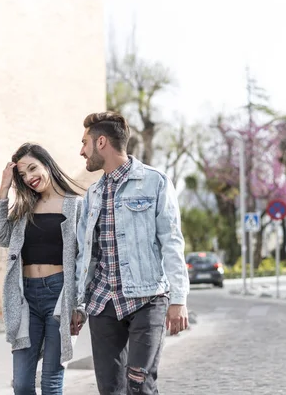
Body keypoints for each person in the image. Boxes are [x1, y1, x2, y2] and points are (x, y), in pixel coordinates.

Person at [74, 112, 190, 395]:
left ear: (101, 142)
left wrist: (179, 298)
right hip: (103, 304)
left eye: (85, 143)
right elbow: (84, 255)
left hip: (147, 299)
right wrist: (78, 304)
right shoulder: (93, 194)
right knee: (110, 389)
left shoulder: (155, 182)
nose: (81, 152)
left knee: (139, 384)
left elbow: (172, 242)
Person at [0, 143, 86, 395]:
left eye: (33, 168)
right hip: (25, 298)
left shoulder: (76, 206)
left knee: (51, 382)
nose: (30, 178)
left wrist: (80, 306)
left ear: (47, 165)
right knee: (21, 385)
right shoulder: (24, 209)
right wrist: (4, 188)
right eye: (23, 175)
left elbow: (87, 259)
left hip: (59, 297)